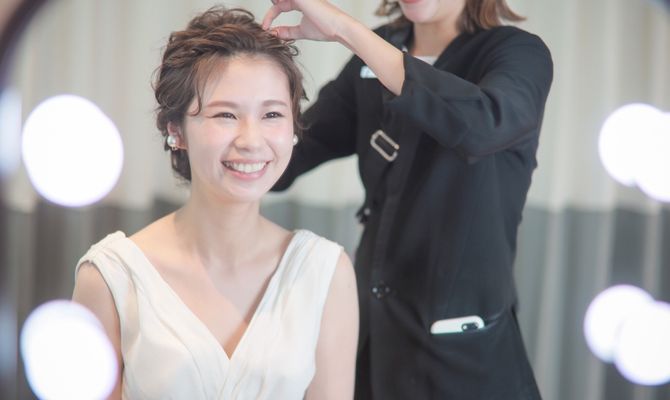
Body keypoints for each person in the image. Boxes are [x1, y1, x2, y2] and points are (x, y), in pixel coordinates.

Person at [263, 0, 553, 398]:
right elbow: (289, 156)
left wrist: (346, 31)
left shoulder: (516, 53)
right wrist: (211, 131)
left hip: (462, 360)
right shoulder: (377, 52)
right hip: (373, 344)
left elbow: (483, 126)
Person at [71, 7, 358, 400]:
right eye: (226, 115)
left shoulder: (325, 273)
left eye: (272, 114)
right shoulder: (111, 277)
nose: (251, 140)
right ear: (176, 131)